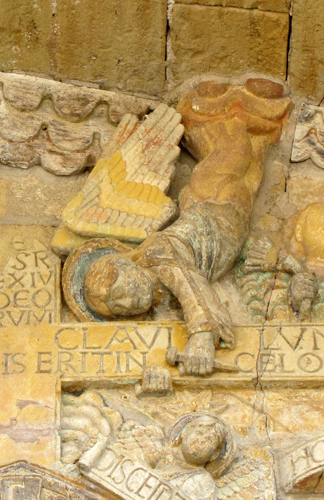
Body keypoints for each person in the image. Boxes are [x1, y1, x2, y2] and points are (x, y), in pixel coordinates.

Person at [77, 79, 293, 376]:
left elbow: (189, 283)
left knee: (236, 149)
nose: (128, 303)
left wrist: (202, 337)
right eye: (118, 308)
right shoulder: (160, 300)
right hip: (229, 223)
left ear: (126, 265)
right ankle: (257, 123)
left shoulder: (156, 254)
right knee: (253, 165)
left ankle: (211, 107)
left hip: (213, 204)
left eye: (120, 291)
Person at [164, 413, 235, 500]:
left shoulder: (202, 482)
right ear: (185, 432)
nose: (201, 441)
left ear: (214, 455)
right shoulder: (163, 456)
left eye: (209, 440)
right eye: (199, 433)